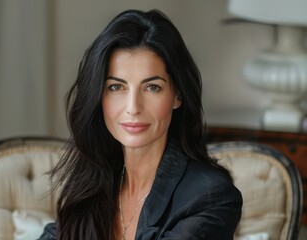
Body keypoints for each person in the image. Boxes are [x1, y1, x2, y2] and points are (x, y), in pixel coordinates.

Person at [39, 9, 242, 240]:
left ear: (177, 96)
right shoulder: (92, 185)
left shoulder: (210, 196)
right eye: (116, 87)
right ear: (98, 96)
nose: (133, 107)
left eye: (152, 87)